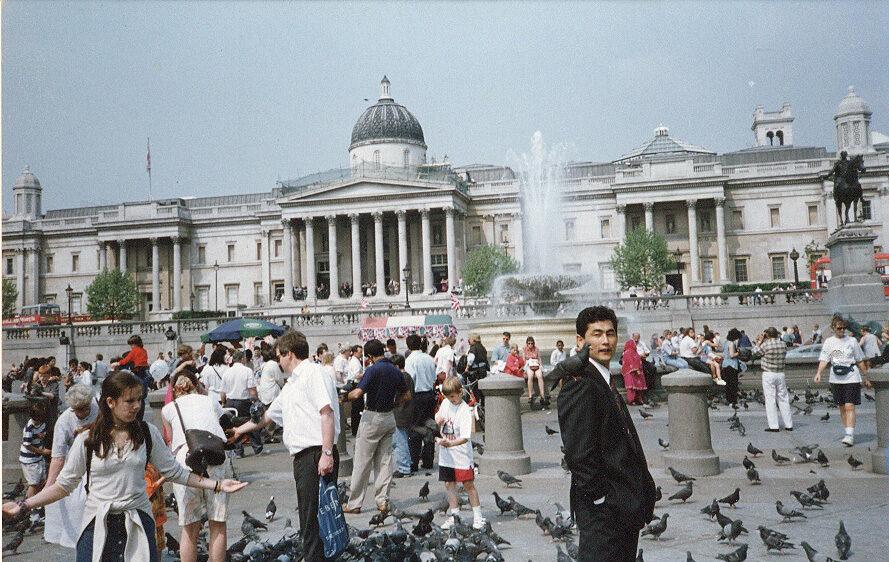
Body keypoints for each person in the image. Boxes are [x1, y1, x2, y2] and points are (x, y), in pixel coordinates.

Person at [3, 371, 247, 562]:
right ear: (110, 402)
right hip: (97, 526)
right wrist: (24, 504)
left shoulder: (147, 434)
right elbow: (63, 486)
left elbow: (174, 471)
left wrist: (217, 485)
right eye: (129, 401)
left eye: (139, 400)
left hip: (138, 522)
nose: (137, 406)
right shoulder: (87, 440)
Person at [554, 306, 656, 561]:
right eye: (597, 334)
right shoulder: (581, 385)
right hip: (605, 512)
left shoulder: (602, 379)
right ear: (581, 341)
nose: (605, 341)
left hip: (622, 507)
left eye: (610, 333)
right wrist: (601, 499)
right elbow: (579, 453)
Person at [229, 330, 340, 562]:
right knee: (310, 518)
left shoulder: (314, 373)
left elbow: (327, 413)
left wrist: (327, 453)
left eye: (279, 355)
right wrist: (239, 431)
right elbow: (268, 416)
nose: (278, 361)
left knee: (315, 520)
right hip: (304, 457)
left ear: (289, 353)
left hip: (316, 453)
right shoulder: (292, 384)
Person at [162, 372, 233, 562]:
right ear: (196, 385)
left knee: (189, 528)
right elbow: (223, 425)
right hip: (215, 458)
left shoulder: (168, 409)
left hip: (186, 461)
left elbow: (171, 442)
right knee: (217, 524)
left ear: (174, 390)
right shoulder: (210, 401)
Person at [343, 339, 410, 514]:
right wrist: (395, 403)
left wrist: (344, 397)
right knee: (385, 461)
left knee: (362, 461)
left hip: (372, 417)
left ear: (370, 356)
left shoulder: (372, 370)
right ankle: (382, 500)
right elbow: (407, 395)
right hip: (389, 417)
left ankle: (354, 503)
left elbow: (357, 394)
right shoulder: (395, 370)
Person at [43, 383, 99, 548]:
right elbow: (58, 457)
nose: (80, 414)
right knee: (78, 509)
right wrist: (49, 485)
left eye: (84, 409)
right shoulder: (64, 421)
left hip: (100, 463)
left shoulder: (99, 408)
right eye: (77, 410)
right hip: (78, 467)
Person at [436, 376, 486, 530]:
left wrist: (450, 443)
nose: (451, 400)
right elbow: (438, 416)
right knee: (449, 484)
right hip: (446, 454)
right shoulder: (446, 403)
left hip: (461, 454)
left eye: (453, 396)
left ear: (460, 392)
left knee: (468, 484)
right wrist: (438, 419)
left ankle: (478, 517)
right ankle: (454, 516)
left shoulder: (464, 410)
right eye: (448, 397)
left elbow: (465, 437)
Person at [815, 315, 869, 446]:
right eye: (839, 328)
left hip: (851, 376)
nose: (842, 330)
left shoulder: (852, 341)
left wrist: (867, 376)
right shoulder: (829, 342)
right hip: (836, 378)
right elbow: (824, 359)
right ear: (833, 328)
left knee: (850, 406)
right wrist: (818, 373)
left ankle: (849, 435)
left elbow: (859, 360)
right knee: (842, 407)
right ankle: (847, 431)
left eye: (844, 328)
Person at [405, 334, 438, 473]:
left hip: (417, 395)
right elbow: (434, 377)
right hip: (429, 394)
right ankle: (428, 460)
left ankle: (413, 461)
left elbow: (409, 379)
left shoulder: (410, 360)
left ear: (408, 346)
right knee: (429, 425)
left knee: (415, 428)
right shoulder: (429, 358)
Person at [223, 350, 263, 457]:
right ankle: (257, 448)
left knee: (234, 424)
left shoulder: (227, 372)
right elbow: (252, 390)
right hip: (243, 401)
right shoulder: (247, 371)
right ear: (242, 359)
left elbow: (223, 392)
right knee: (251, 422)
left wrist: (224, 402)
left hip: (230, 401)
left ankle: (238, 451)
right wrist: (256, 400)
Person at [753, 327, 793, 432]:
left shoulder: (766, 345)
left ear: (767, 335)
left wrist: (759, 342)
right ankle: (789, 424)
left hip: (768, 374)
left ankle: (774, 426)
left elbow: (755, 353)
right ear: (777, 334)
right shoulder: (783, 344)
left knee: (770, 400)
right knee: (783, 399)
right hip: (780, 373)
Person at [20, 401, 51, 501]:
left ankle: (36, 501)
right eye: (36, 420)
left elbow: (41, 432)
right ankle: (29, 506)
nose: (38, 422)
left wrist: (40, 435)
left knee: (41, 480)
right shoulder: (29, 428)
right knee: (33, 483)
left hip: (38, 458)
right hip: (29, 460)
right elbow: (27, 445)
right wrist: (42, 452)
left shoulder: (43, 423)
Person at [391, 354, 415, 478]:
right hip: (407, 412)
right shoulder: (408, 376)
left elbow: (403, 396)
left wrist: (393, 403)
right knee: (403, 439)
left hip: (400, 412)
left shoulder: (401, 377)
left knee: (399, 441)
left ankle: (404, 468)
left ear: (396, 366)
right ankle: (407, 464)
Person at [720, 328, 745, 407]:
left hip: (725, 365)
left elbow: (724, 353)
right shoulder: (731, 344)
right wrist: (738, 353)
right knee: (733, 384)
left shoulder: (726, 342)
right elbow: (732, 355)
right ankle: (733, 400)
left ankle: (729, 400)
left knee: (728, 384)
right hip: (732, 365)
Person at [621, 339, 647, 405]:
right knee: (631, 387)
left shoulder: (634, 352)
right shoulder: (627, 352)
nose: (635, 345)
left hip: (636, 372)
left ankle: (638, 400)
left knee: (638, 387)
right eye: (634, 344)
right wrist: (636, 369)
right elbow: (630, 362)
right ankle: (630, 400)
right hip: (630, 372)